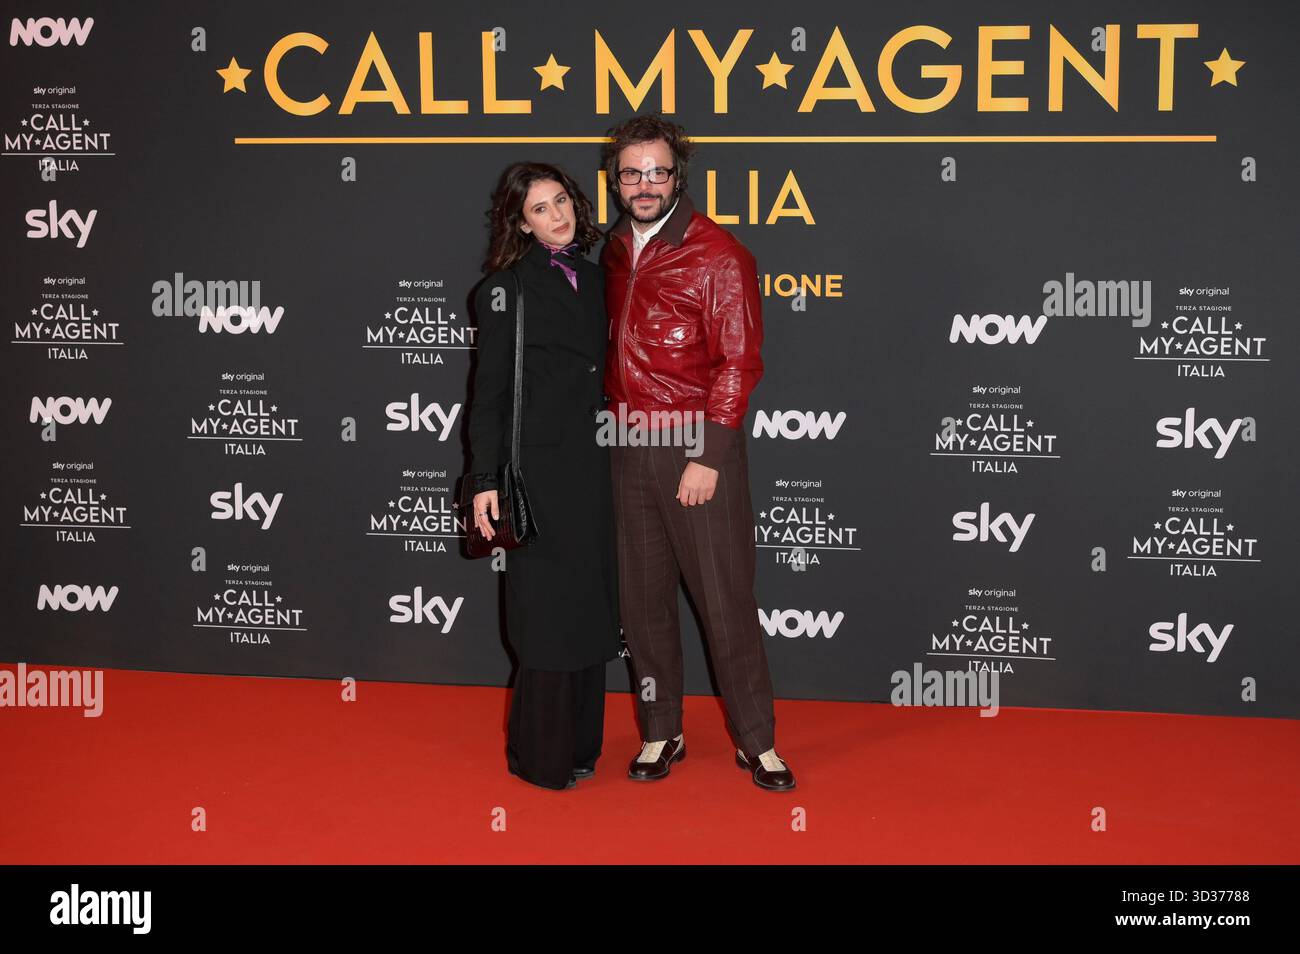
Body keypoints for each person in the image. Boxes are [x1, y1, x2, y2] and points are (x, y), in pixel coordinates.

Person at [599, 113, 796, 791]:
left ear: (678, 174)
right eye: (632, 172)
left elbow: (739, 363)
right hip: (627, 446)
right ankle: (661, 731)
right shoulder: (616, 248)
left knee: (725, 601)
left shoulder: (719, 255)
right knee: (642, 604)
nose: (645, 183)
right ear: (617, 180)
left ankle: (757, 741)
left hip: (694, 447)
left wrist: (708, 455)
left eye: (657, 171)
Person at [466, 162, 620, 791]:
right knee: (548, 613)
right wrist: (483, 480)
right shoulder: (505, 289)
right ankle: (542, 758)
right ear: (520, 223)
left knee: (588, 608)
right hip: (537, 473)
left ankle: (583, 747)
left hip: (599, 468)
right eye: (539, 209)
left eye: (561, 201)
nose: (557, 216)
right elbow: (488, 395)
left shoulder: (599, 277)